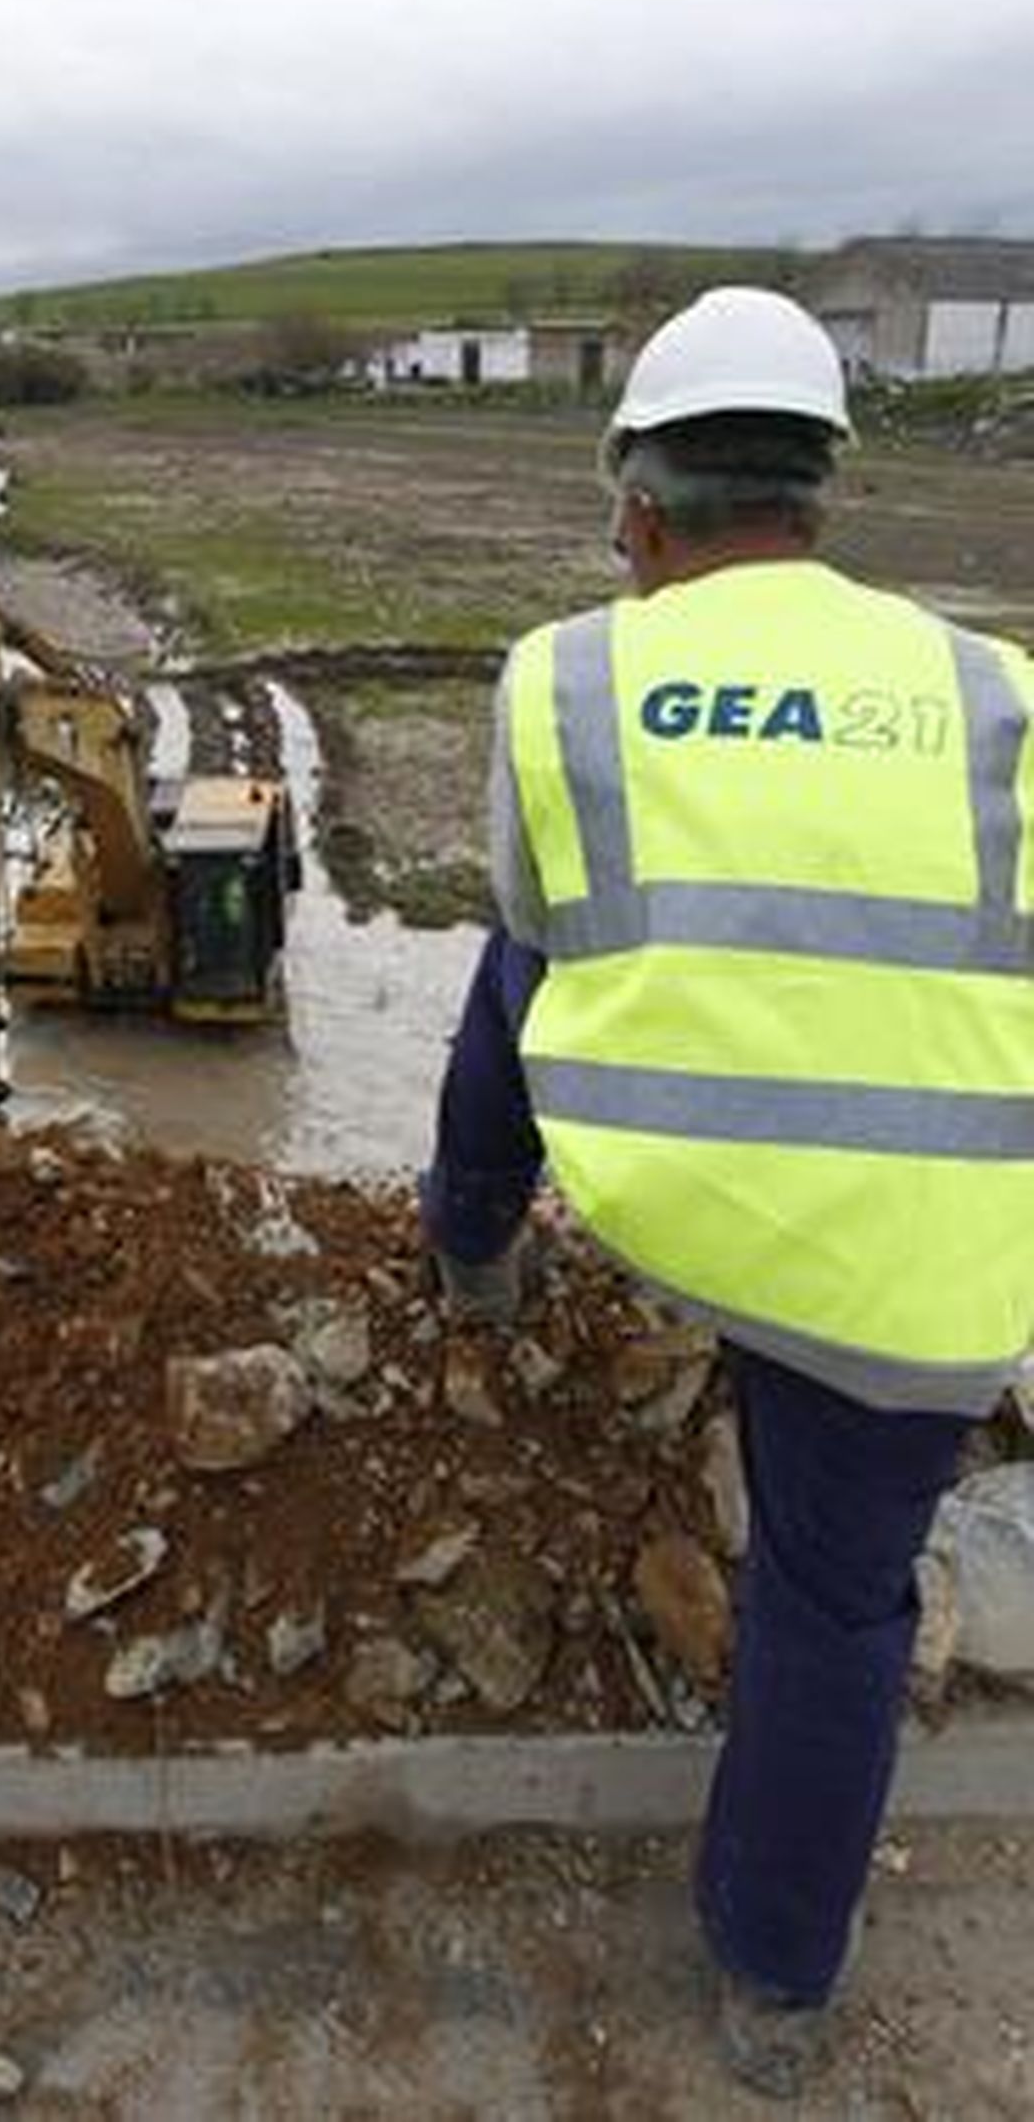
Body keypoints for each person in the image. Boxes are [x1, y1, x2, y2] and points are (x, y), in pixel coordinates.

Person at [421, 286, 1034, 2099]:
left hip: (676, 1194)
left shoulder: (568, 680)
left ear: (637, 508)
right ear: (826, 489)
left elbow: (520, 985)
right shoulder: (994, 693)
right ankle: (775, 1992)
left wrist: (478, 1229)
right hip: (928, 1258)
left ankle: (466, 1245)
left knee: (521, 970)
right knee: (835, 1607)